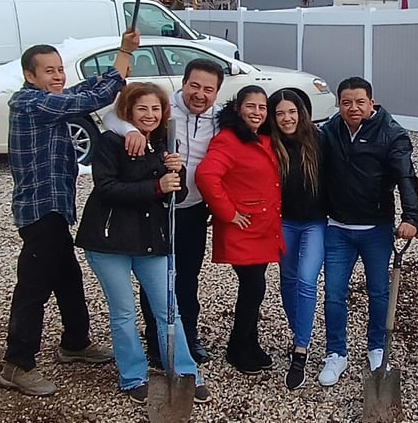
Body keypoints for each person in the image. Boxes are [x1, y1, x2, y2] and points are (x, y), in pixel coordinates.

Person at [0, 29, 140, 397]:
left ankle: (75, 343)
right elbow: (93, 98)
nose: (58, 76)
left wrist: (123, 56)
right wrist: (122, 55)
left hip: (56, 211)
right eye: (49, 71)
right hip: (40, 210)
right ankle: (17, 364)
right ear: (31, 76)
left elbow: (89, 87)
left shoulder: (50, 98)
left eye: (60, 69)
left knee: (68, 280)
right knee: (34, 287)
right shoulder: (32, 103)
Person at [75, 83, 211, 404]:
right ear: (128, 112)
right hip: (110, 240)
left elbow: (173, 194)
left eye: (155, 109)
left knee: (168, 309)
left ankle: (184, 371)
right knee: (123, 312)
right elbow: (106, 187)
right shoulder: (111, 142)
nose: (149, 116)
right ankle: (133, 375)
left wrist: (175, 176)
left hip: (151, 239)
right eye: (142, 109)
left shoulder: (164, 142)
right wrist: (156, 185)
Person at [103, 59, 224, 366]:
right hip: (156, 207)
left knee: (187, 277)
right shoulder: (162, 108)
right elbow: (110, 116)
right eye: (194, 86)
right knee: (154, 276)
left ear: (217, 92)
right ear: (183, 83)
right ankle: (157, 339)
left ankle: (188, 335)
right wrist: (130, 129)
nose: (200, 94)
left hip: (193, 208)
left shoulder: (220, 118)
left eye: (209, 89)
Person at [318, 76, 418, 387]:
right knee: (334, 294)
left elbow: (406, 176)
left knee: (379, 292)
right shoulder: (329, 131)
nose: (353, 108)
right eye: (346, 102)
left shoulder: (391, 134)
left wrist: (412, 216)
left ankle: (377, 347)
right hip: (337, 228)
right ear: (339, 104)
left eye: (360, 102)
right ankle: (336, 353)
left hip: (376, 227)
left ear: (371, 103)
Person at [196, 85, 285, 375]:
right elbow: (207, 176)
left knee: (255, 287)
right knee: (253, 287)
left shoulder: (262, 137)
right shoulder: (228, 139)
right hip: (243, 229)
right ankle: (237, 347)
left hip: (262, 227)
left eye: (262, 108)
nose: (257, 113)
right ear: (238, 108)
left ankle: (249, 342)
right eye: (251, 106)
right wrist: (228, 213)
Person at [267, 89, 325, 390]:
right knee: (287, 281)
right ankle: (298, 331)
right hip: (285, 223)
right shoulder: (270, 146)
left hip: (315, 223)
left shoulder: (319, 140)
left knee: (305, 280)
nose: (287, 118)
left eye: (292, 112)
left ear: (301, 113)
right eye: (280, 113)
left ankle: (300, 349)